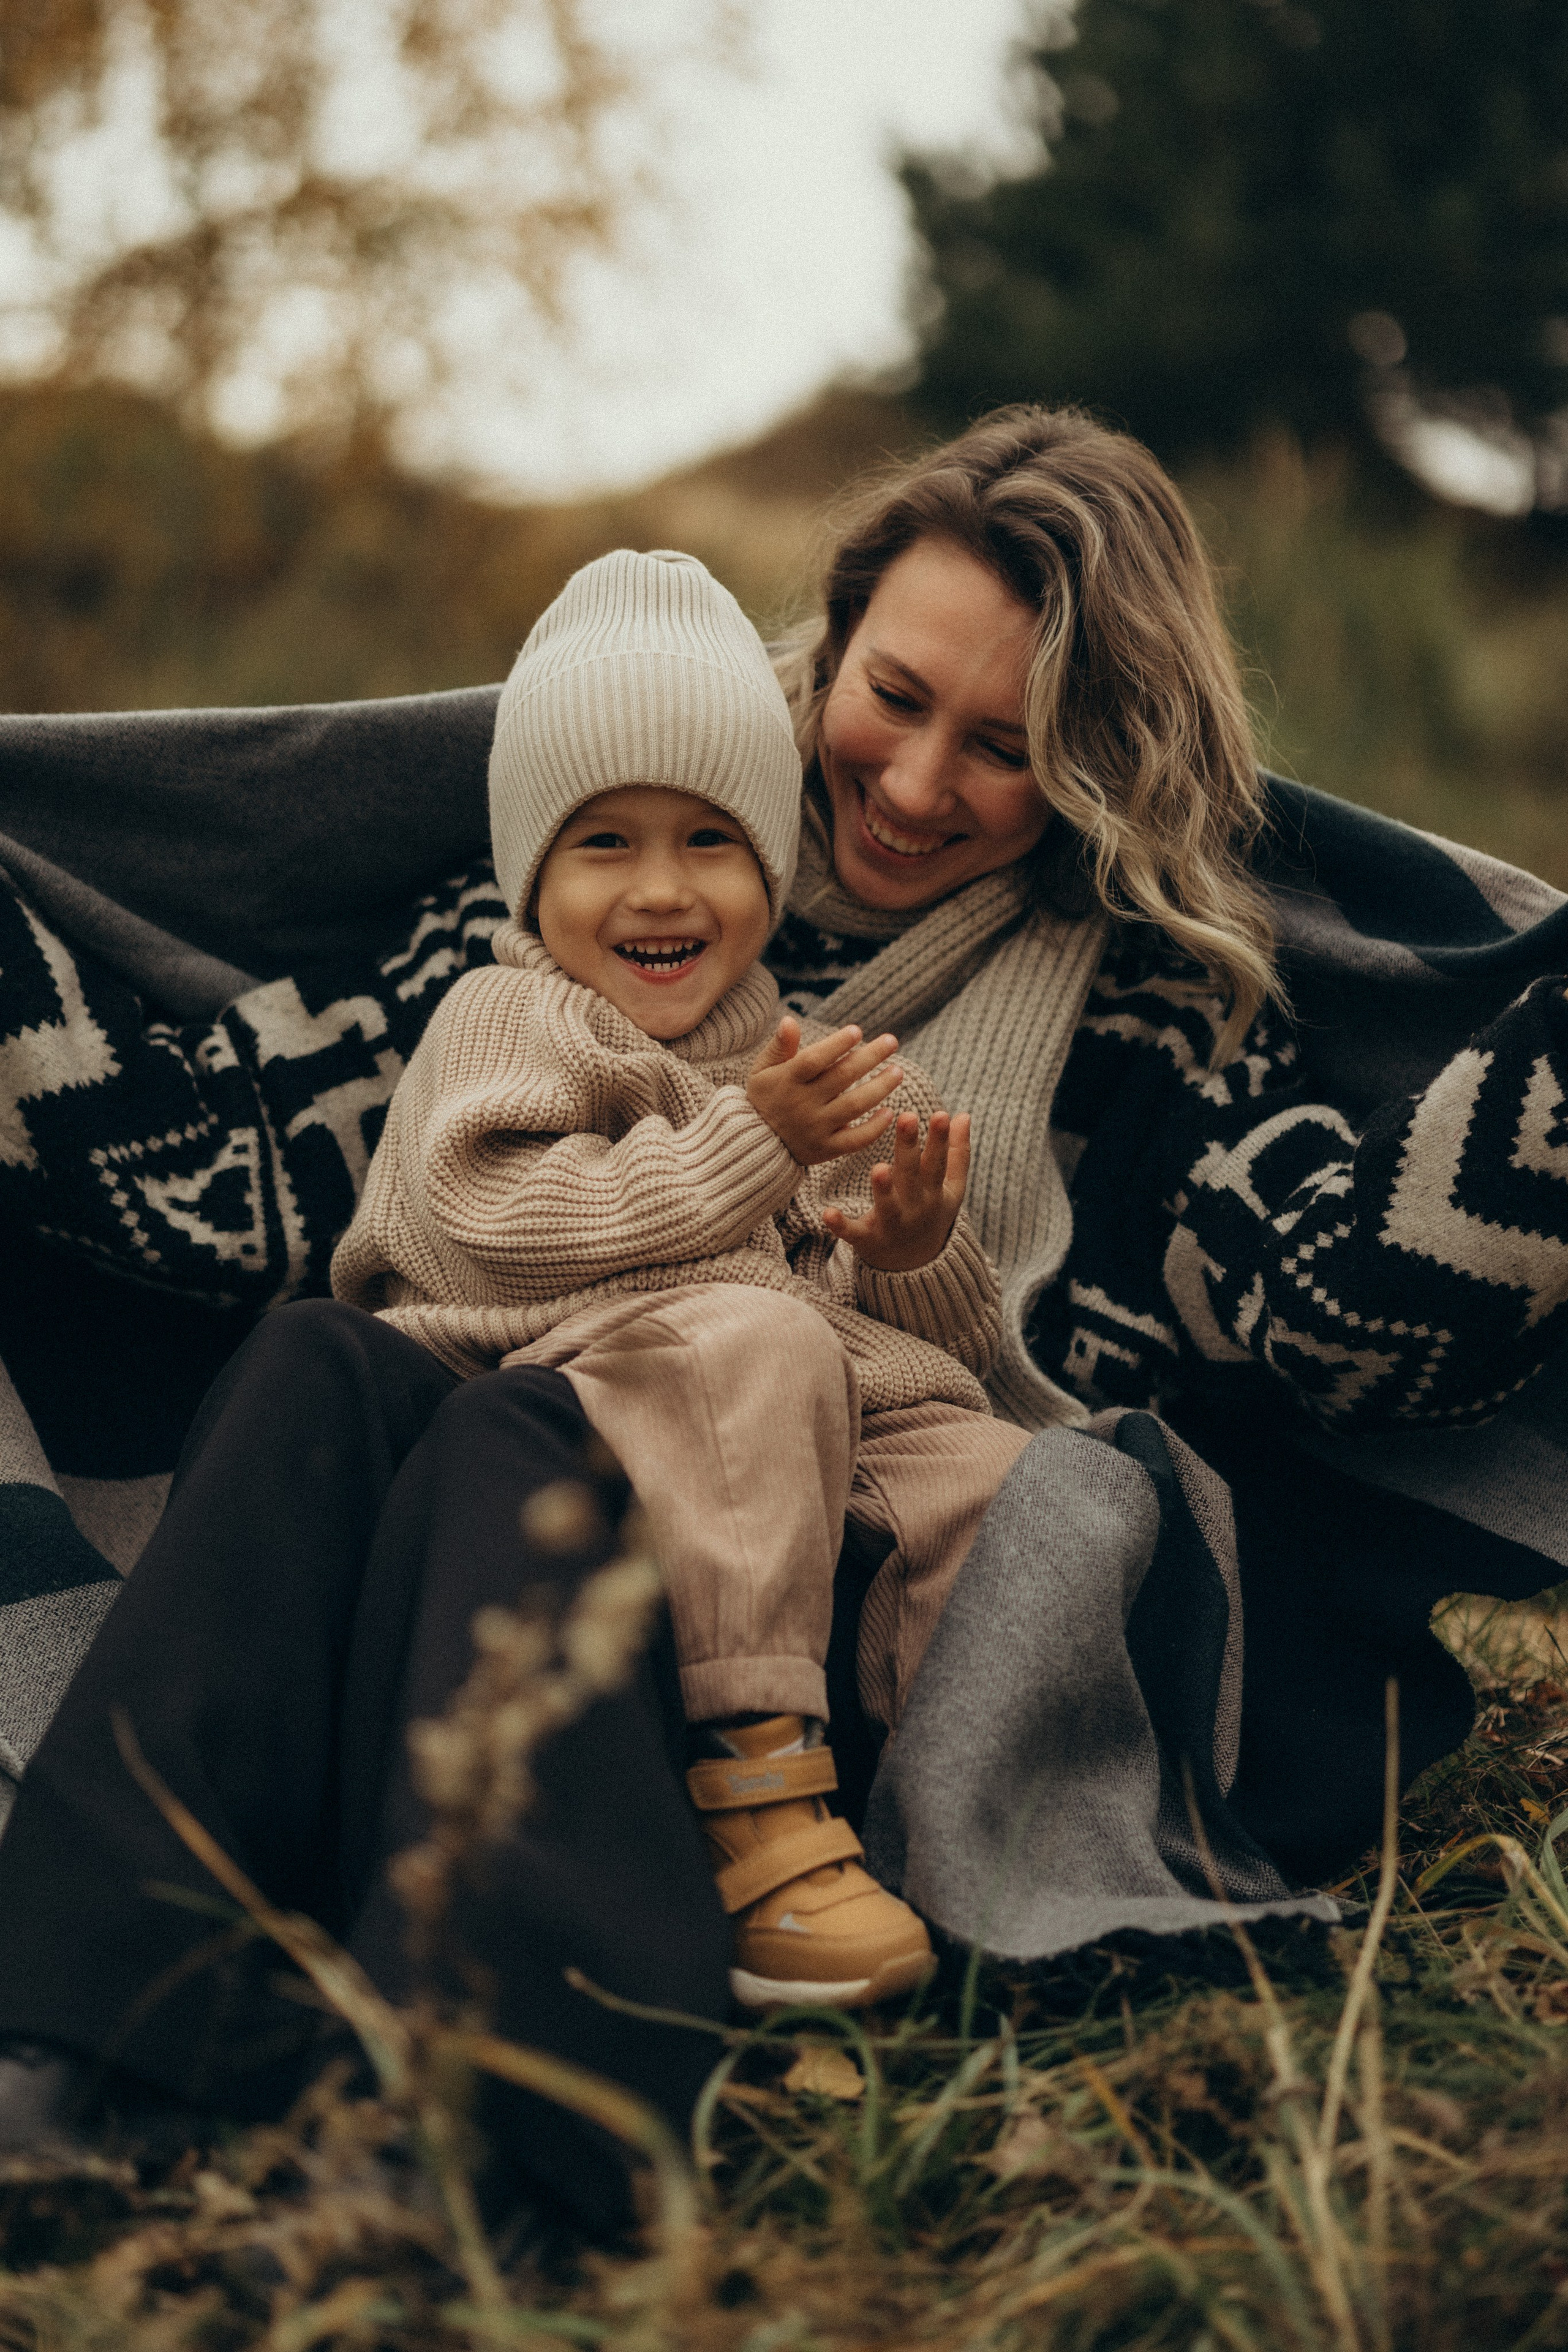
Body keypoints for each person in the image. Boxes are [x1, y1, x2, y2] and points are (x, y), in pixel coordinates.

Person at [3, 402, 1567, 2218]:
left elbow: (1334, 1317)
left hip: (818, 1580)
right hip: (518, 1474)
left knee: (547, 1433)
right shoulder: (547, 902)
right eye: (893, 699)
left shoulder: (1140, 1014)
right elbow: (285, 1185)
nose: (914, 786)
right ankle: (89, 2021)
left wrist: (910, 1235)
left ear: (1088, 768)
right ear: (820, 653)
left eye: (1006, 748)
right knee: (309, 1366)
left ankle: (514, 2115)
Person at [333, 546, 1031, 2008]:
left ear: (771, 874)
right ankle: (758, 1812)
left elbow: (922, 1330)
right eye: (604, 844)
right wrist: (750, 1148)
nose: (662, 890)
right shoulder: (508, 1017)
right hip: (553, 1381)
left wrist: (911, 1252)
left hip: (806, 1413)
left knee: (989, 1472)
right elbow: (492, 1218)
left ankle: (953, 1823)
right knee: (750, 1344)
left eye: (712, 841)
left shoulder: (807, 1059)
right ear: (532, 873)